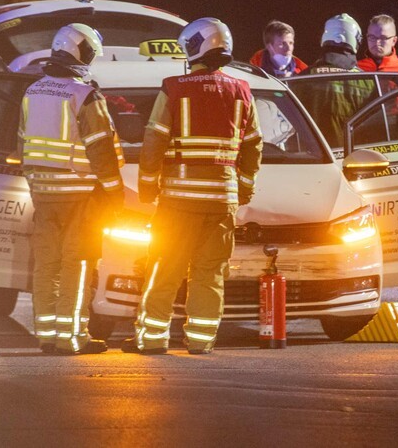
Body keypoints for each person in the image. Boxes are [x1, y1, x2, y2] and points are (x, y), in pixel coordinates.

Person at [125, 18, 262, 354]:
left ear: (195, 47)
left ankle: (153, 339)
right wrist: (242, 191)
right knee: (210, 274)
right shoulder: (242, 90)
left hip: (178, 202)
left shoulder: (174, 87)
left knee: (165, 267)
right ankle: (201, 341)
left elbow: (154, 141)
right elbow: (253, 145)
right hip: (221, 204)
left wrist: (147, 189)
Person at [19, 23, 124, 355]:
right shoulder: (84, 95)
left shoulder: (32, 92)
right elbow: (101, 150)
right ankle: (72, 336)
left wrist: (35, 183)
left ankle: (47, 334)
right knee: (76, 264)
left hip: (42, 194)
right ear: (82, 52)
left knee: (46, 263)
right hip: (79, 195)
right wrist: (114, 192)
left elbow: (22, 142)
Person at [297, 13, 374, 148]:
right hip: (357, 157)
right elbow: (376, 126)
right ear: (355, 40)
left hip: (313, 158)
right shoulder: (368, 81)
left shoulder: (303, 78)